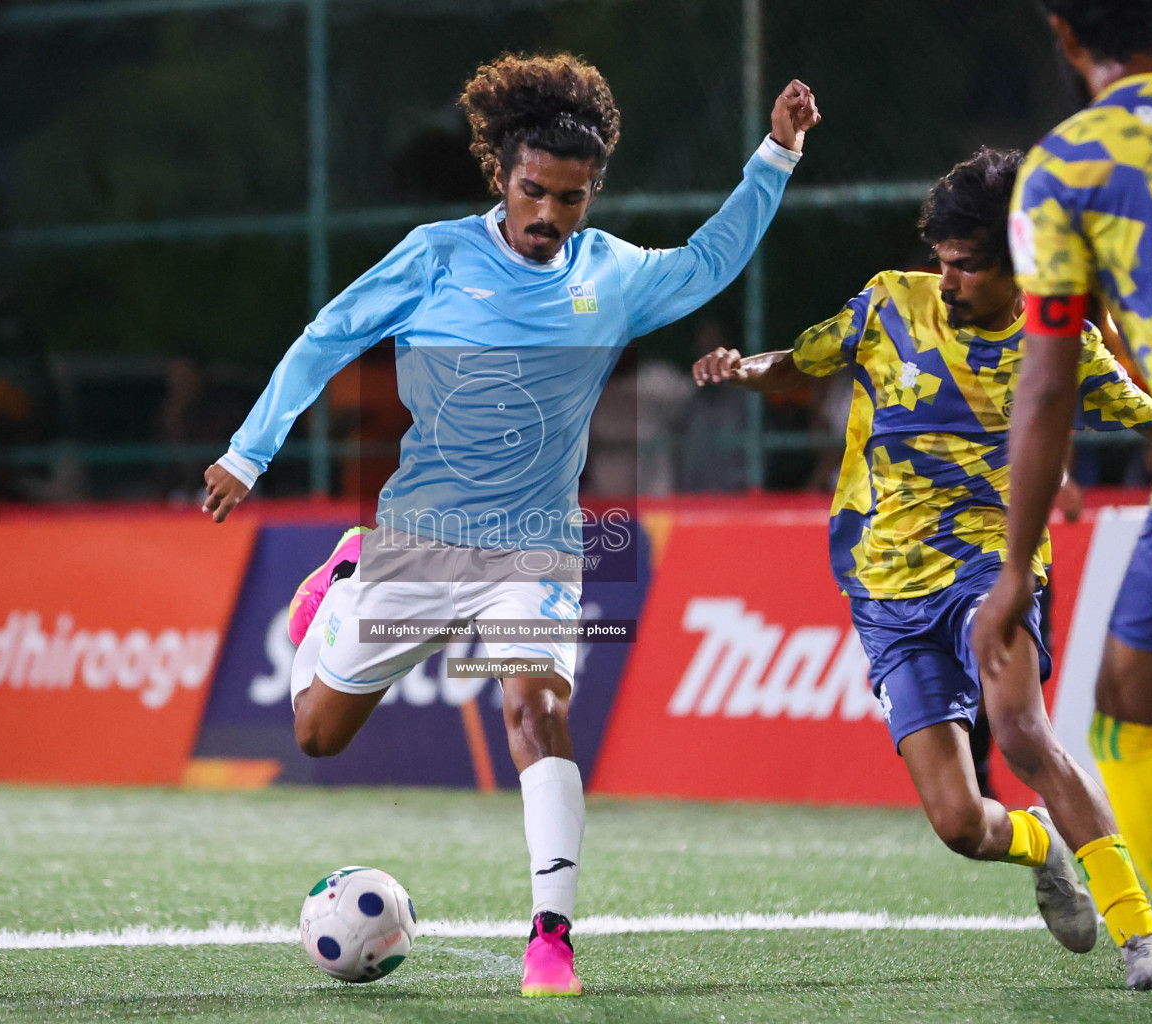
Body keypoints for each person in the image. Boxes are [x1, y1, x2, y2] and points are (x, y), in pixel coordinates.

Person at [200, 52, 820, 997]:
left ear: (591, 193)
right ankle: (337, 585)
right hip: (418, 539)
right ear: (501, 173)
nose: (548, 216)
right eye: (534, 191)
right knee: (318, 735)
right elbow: (328, 333)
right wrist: (248, 453)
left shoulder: (612, 275)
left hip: (535, 545)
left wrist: (775, 154)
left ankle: (551, 936)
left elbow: (709, 261)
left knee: (538, 710)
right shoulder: (437, 256)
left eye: (570, 200)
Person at [693, 146, 1152, 990]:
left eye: (967, 267)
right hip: (884, 586)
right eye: (943, 262)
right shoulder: (890, 302)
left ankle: (1142, 933)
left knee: (1024, 732)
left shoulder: (1061, 338)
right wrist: (744, 370)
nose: (948, 279)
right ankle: (1039, 842)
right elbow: (801, 362)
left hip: (990, 572)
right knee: (961, 823)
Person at [972, 2, 1152, 1020]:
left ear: (1063, 33)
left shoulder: (1067, 168)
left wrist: (1015, 567)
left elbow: (1048, 384)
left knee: (1131, 731)